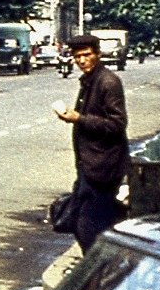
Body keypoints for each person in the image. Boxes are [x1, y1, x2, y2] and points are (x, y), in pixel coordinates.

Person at [54, 33, 129, 251]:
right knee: (79, 220)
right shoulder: (90, 80)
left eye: (87, 55)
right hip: (89, 165)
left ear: (97, 54)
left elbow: (117, 124)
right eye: (78, 57)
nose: (82, 61)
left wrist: (79, 118)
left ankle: (101, 274)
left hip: (103, 168)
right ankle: (100, 271)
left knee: (88, 226)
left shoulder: (108, 82)